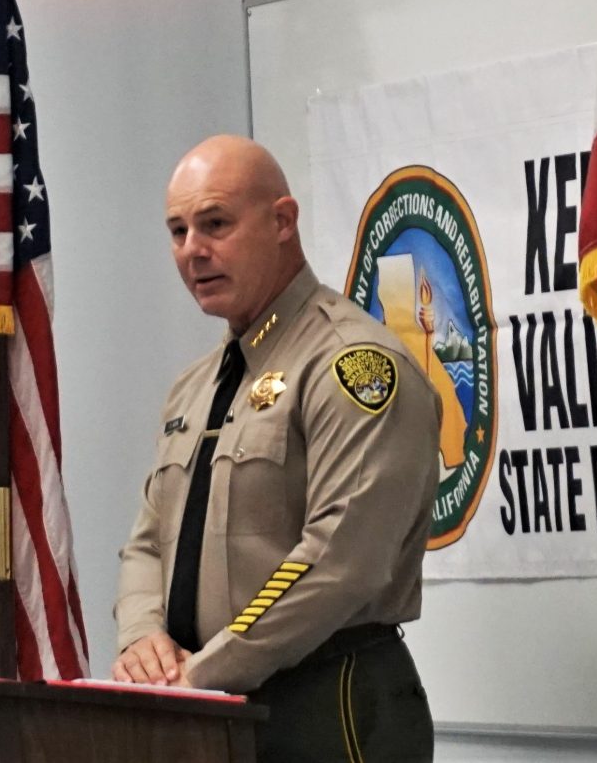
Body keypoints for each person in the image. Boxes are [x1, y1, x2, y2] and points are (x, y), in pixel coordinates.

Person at [112, 134, 441, 761]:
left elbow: (341, 559)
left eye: (215, 224)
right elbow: (148, 541)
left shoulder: (350, 364)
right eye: (177, 231)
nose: (193, 251)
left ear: (282, 221)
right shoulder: (195, 387)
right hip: (209, 709)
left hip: (328, 702)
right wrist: (141, 638)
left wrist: (204, 672)